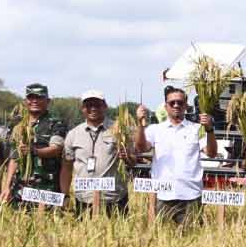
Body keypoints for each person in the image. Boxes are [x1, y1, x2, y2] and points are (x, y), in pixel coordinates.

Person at [133, 85, 220, 225]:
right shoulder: (156, 129)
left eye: (180, 102)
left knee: (192, 238)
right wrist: (140, 124)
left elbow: (211, 153)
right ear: (165, 106)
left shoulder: (196, 129)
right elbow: (141, 147)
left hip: (191, 195)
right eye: (171, 102)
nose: (176, 105)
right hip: (162, 195)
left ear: (186, 106)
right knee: (160, 240)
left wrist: (209, 130)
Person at [61, 89, 129, 214]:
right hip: (84, 198)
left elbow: (132, 159)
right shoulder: (73, 134)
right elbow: (66, 168)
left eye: (97, 105)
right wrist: (65, 195)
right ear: (82, 108)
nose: (93, 108)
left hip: (114, 197)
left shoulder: (119, 130)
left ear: (105, 106)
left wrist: (127, 156)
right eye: (88, 105)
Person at [5, 82, 68, 210]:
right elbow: (13, 157)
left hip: (47, 189)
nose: (34, 101)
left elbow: (56, 149)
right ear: (25, 101)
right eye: (31, 97)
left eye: (39, 97)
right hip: (20, 190)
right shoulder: (17, 125)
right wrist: (7, 186)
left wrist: (33, 151)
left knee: (45, 226)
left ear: (48, 100)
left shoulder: (55, 123)